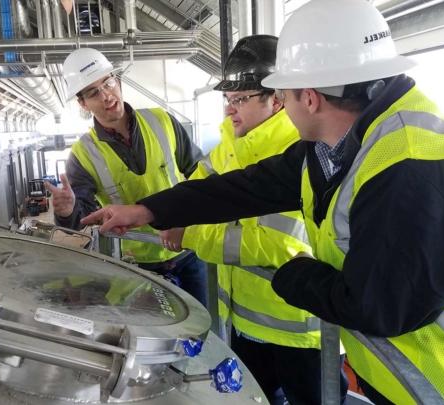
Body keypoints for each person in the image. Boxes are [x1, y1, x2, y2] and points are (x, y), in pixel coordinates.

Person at [81, 1, 444, 404]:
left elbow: (380, 308)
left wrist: (293, 273)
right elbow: (246, 187)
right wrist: (148, 210)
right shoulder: (337, 145)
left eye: (283, 95)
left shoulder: (406, 163)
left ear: (308, 98)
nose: (281, 108)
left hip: (429, 383)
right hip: (396, 373)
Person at [160, 35, 346, 405]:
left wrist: (192, 236)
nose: (230, 110)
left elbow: (279, 243)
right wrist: (161, 212)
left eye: (240, 99)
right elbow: (195, 192)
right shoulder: (230, 142)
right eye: (228, 100)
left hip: (301, 331)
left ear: (276, 99)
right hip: (244, 324)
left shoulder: (300, 150)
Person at [47, 47, 208, 307]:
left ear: (117, 80)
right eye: (93, 92)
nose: (106, 95)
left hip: (187, 250)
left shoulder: (161, 120)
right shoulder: (82, 154)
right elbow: (82, 222)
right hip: (137, 265)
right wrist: (67, 211)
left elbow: (200, 175)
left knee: (199, 336)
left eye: (108, 82)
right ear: (83, 103)